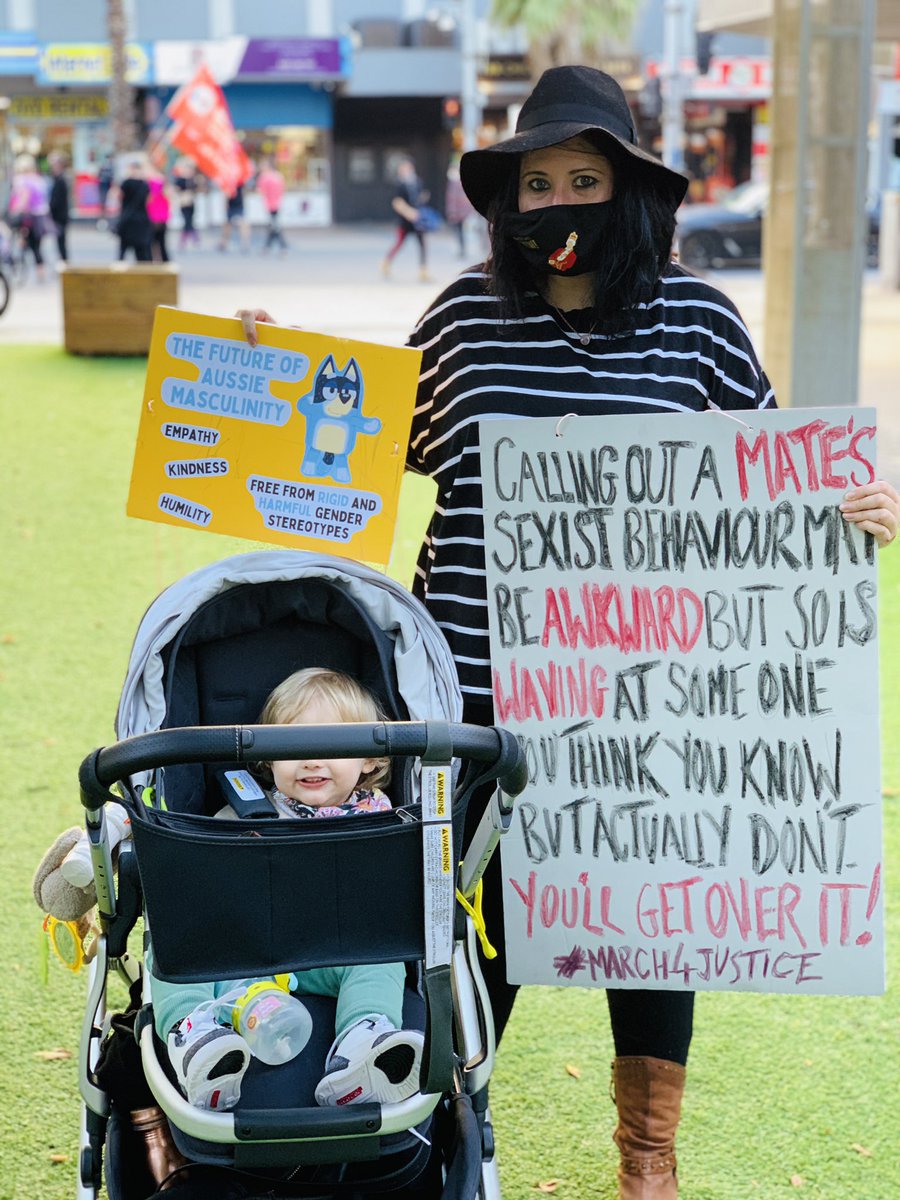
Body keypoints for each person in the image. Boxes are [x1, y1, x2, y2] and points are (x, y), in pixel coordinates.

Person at [235, 65, 900, 1198]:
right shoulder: (458, 318)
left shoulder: (698, 320)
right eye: (534, 182)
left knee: (644, 929)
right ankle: (425, 1141)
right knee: (465, 928)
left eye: (582, 178)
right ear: (506, 206)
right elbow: (354, 443)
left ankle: (650, 1162)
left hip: (644, 702)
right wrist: (263, 372)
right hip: (468, 700)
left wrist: (852, 512)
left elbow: (768, 474)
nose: (556, 204)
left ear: (630, 193)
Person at [149, 667, 425, 1113]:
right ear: (267, 758)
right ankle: (196, 1036)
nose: (311, 760)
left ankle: (363, 1040)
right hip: (248, 955)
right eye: (292, 744)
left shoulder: (386, 821)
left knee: (383, 951)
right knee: (176, 941)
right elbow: (199, 881)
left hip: (337, 951)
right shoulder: (245, 813)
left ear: (372, 760)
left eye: (333, 744)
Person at [381, 157, 431, 282]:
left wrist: (422, 200)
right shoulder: (399, 184)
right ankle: (386, 263)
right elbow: (397, 202)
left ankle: (423, 270)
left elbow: (420, 196)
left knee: (422, 245)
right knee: (399, 243)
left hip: (418, 220)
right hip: (405, 220)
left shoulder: (417, 181)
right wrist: (409, 212)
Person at [7, 154, 49, 281]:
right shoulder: (39, 180)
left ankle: (17, 262)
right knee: (37, 245)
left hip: (28, 217)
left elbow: (24, 199)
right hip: (41, 216)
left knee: (24, 239)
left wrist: (16, 212)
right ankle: (40, 271)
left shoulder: (21, 180)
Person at [115, 158, 152, 262]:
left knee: (123, 249)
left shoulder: (126, 183)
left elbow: (118, 196)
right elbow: (149, 200)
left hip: (128, 219)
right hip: (142, 220)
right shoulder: (144, 184)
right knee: (141, 251)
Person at [256, 159, 288, 253]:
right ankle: (268, 246)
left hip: (270, 205)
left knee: (274, 226)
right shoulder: (278, 176)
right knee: (273, 225)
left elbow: (260, 191)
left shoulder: (263, 177)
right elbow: (283, 189)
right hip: (277, 204)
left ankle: (282, 246)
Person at [444, 161, 474, 258]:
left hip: (460, 213)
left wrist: (452, 212)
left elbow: (452, 199)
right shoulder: (461, 182)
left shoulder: (455, 183)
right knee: (461, 232)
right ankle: (462, 249)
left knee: (460, 232)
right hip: (463, 213)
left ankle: (462, 249)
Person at [47, 152, 70, 263]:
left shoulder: (61, 180)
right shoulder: (57, 179)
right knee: (59, 240)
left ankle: (64, 262)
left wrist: (50, 209)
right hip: (58, 215)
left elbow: (57, 200)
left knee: (61, 240)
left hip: (60, 215)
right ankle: (63, 260)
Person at [173, 157, 200, 250]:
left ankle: (185, 239)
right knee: (187, 220)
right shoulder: (180, 179)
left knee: (190, 220)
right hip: (183, 203)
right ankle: (193, 237)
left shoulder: (193, 180)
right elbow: (176, 190)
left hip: (191, 203)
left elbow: (197, 190)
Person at [145, 169, 171, 263]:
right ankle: (163, 261)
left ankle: (153, 260)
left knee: (153, 242)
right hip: (157, 217)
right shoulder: (161, 186)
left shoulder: (151, 185)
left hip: (155, 217)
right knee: (160, 242)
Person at [218, 180, 250, 253]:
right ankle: (224, 242)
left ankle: (245, 242)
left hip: (239, 205)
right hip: (231, 205)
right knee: (227, 224)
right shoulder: (228, 182)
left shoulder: (241, 182)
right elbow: (226, 194)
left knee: (243, 223)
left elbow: (245, 192)